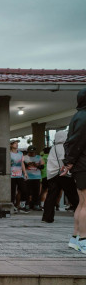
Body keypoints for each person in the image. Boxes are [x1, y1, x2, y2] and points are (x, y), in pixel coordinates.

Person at [62, 87, 86, 253]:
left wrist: (69, 162)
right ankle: (83, 240)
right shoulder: (84, 117)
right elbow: (78, 141)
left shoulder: (78, 116)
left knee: (82, 203)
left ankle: (75, 238)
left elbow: (72, 141)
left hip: (80, 165)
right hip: (83, 163)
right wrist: (69, 161)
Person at [42, 131, 78, 223]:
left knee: (51, 196)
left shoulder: (53, 148)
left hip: (53, 175)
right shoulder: (65, 147)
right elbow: (65, 160)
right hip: (64, 174)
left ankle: (47, 217)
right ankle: (80, 213)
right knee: (73, 195)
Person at [10, 140, 29, 213]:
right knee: (12, 191)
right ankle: (13, 206)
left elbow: (22, 163)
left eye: (17, 143)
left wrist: (25, 173)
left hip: (19, 175)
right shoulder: (9, 153)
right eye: (15, 143)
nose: (16, 144)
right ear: (11, 145)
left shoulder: (20, 153)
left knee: (24, 190)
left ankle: (22, 206)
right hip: (11, 175)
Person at [23, 146, 45, 211]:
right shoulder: (24, 157)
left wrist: (37, 165)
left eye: (33, 152)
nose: (31, 153)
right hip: (27, 177)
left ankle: (36, 204)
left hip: (36, 177)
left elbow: (42, 166)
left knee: (36, 192)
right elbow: (22, 166)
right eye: (30, 152)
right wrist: (27, 164)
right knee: (27, 191)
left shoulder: (39, 157)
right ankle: (27, 204)